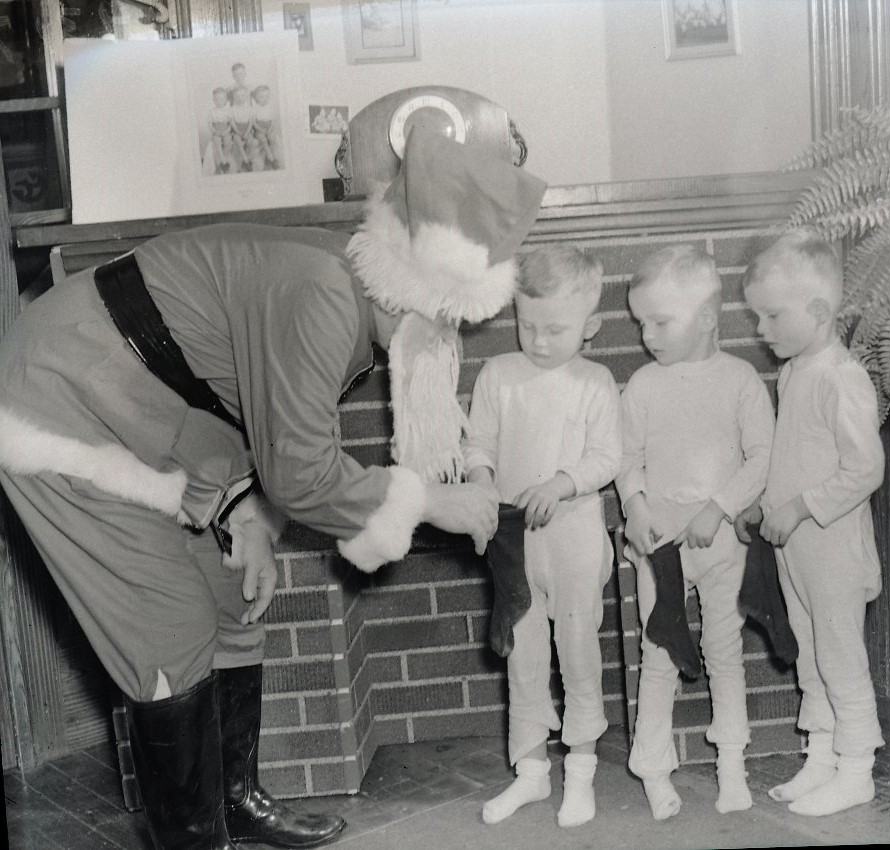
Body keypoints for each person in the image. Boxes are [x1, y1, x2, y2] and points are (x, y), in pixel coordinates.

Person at [0, 126, 547, 850]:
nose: (448, 337)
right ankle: (195, 842)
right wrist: (433, 502)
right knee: (168, 632)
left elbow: (243, 402)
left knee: (230, 601)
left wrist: (251, 517)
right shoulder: (324, 297)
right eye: (450, 317)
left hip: (148, 410)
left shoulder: (350, 302)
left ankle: (236, 804)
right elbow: (301, 468)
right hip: (58, 400)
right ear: (417, 284)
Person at [463, 246, 621, 829]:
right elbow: (478, 444)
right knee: (522, 653)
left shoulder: (594, 381)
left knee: (578, 651)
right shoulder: (499, 375)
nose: (540, 340)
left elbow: (608, 457)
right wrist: (481, 479)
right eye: (527, 325)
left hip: (574, 537)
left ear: (591, 327)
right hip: (515, 542)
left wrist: (561, 483)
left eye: (556, 329)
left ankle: (581, 771)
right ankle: (530, 772)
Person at [616, 245, 774, 820]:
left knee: (723, 650)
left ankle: (732, 762)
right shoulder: (642, 386)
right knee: (659, 651)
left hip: (721, 540)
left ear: (707, 317)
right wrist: (633, 504)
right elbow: (625, 457)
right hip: (660, 543)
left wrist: (721, 505)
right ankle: (653, 768)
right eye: (640, 324)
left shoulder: (739, 380)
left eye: (661, 321)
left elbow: (761, 456)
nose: (648, 336)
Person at [740, 229, 885, 817]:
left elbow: (865, 469)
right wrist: (766, 501)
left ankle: (858, 769)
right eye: (757, 316)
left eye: (773, 315)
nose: (761, 329)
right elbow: (791, 452)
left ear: (820, 312)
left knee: (840, 654)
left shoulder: (840, 377)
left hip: (833, 548)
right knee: (810, 651)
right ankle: (822, 755)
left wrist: (798, 507)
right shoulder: (796, 370)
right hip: (795, 549)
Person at [206, 86, 235, 175]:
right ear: (213, 100)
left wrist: (227, 130)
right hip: (216, 130)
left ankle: (222, 160)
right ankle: (223, 162)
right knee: (217, 142)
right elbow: (210, 124)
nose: (219, 102)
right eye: (217, 99)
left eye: (222, 99)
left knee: (228, 143)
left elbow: (231, 123)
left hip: (226, 129)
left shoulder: (228, 110)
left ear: (226, 100)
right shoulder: (212, 111)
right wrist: (214, 131)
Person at [251, 85, 280, 169]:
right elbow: (253, 122)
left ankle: (274, 157)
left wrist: (270, 129)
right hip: (259, 129)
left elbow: (272, 121)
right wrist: (260, 129)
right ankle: (271, 158)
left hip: (269, 128)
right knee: (263, 139)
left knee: (272, 139)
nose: (265, 99)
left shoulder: (270, 107)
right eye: (262, 97)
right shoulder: (255, 109)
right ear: (256, 98)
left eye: (267, 96)